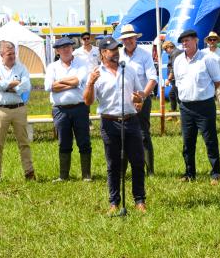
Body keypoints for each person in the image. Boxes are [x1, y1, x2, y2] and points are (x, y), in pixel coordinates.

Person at [84, 36, 147, 213]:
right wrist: (90, 84)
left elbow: (139, 95)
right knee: (113, 165)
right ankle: (114, 202)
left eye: (117, 49)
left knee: (137, 161)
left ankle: (139, 200)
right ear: (103, 53)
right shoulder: (97, 74)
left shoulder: (129, 70)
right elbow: (88, 101)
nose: (116, 53)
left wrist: (139, 99)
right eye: (112, 50)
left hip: (131, 121)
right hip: (110, 123)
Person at [174, 29, 220, 184]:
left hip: (204, 106)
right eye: (182, 41)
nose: (184, 43)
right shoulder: (178, 61)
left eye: (187, 40)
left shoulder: (207, 59)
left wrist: (203, 95)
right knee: (187, 142)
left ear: (196, 40)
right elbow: (178, 82)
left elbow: (217, 82)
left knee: (210, 140)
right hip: (186, 107)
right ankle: (189, 173)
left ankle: (215, 173)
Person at [45, 37, 92, 182]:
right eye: (62, 48)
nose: (66, 49)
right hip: (60, 110)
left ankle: (86, 175)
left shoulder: (82, 63)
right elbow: (48, 87)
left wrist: (58, 83)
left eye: (68, 47)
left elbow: (80, 80)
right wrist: (72, 83)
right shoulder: (52, 67)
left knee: (84, 141)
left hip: (80, 108)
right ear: (57, 51)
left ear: (72, 48)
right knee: (63, 143)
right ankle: (63, 176)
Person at [0, 41, 34, 185]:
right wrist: (14, 83)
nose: (12, 56)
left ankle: (29, 172)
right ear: (1, 55)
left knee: (24, 143)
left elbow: (26, 86)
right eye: (9, 54)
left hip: (19, 109)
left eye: (14, 53)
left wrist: (7, 85)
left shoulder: (22, 68)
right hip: (1, 110)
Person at [118, 24, 158, 176]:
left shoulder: (144, 55)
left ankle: (150, 171)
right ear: (122, 40)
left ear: (136, 38)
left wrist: (141, 97)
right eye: (125, 39)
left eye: (131, 38)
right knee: (123, 135)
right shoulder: (117, 55)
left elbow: (152, 78)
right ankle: (122, 172)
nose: (128, 41)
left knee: (143, 134)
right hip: (122, 100)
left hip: (142, 98)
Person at [201, 31, 220, 129]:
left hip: (219, 81)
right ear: (208, 41)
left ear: (217, 41)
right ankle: (207, 122)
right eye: (210, 39)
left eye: (214, 39)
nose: (212, 41)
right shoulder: (202, 52)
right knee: (206, 104)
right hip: (206, 82)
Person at [162, 40, 182, 120]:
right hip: (175, 79)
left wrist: (169, 78)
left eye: (165, 49)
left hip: (176, 79)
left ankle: (182, 117)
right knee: (172, 95)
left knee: (179, 98)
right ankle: (174, 114)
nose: (166, 52)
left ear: (168, 47)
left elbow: (174, 67)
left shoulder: (175, 53)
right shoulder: (175, 53)